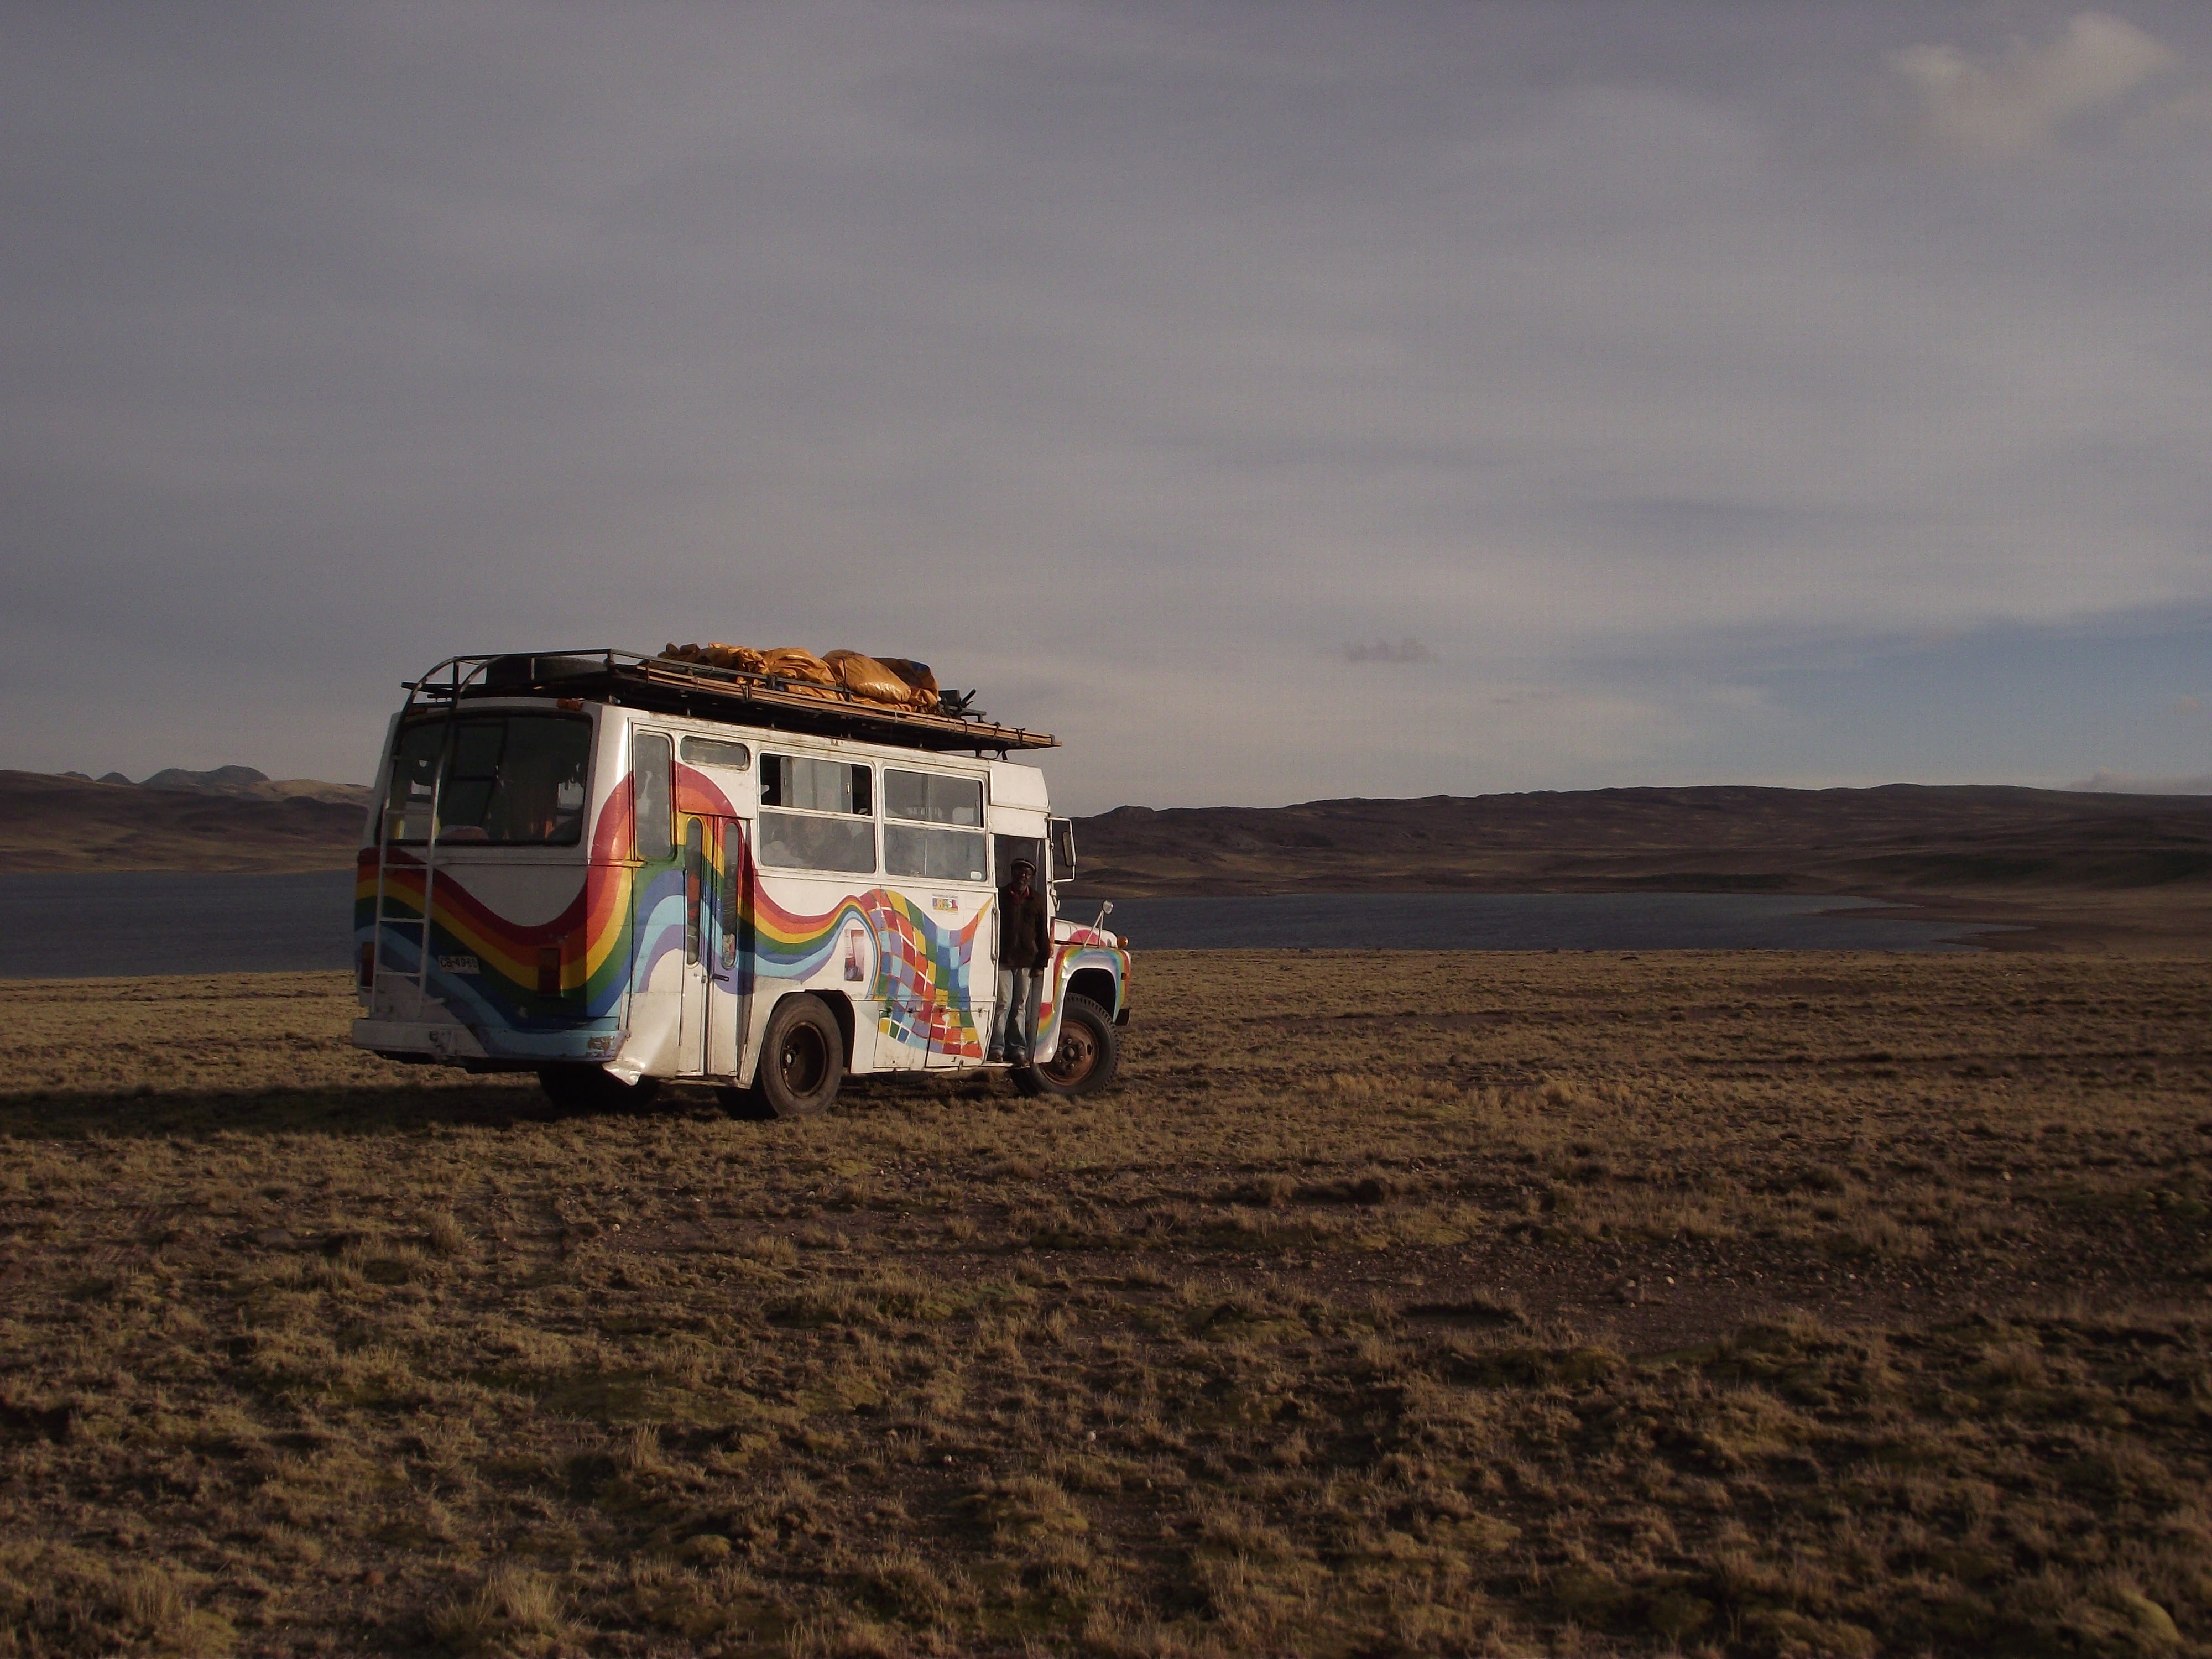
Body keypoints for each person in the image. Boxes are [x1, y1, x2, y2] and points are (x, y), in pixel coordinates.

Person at [990, 857, 1051, 1065]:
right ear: (1012, 874)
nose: (1022, 877)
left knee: (1020, 1006)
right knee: (1003, 1004)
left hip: (1026, 961)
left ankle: (1017, 1049)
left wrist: (1041, 962)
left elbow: (1042, 932)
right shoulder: (999, 897)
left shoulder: (1038, 900)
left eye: (1026, 874)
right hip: (1003, 959)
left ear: (1031, 877)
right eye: (1019, 873)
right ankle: (997, 1047)